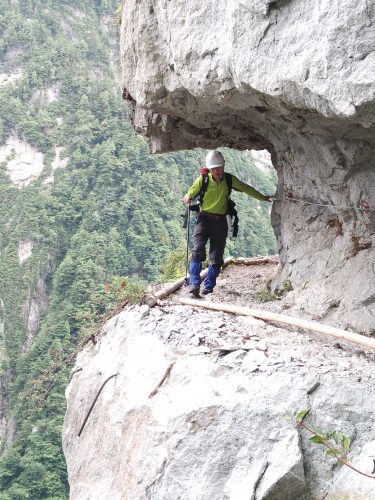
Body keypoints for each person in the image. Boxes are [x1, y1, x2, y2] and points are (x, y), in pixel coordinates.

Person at [183, 150, 273, 297]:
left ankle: (209, 285)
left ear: (223, 166)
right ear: (210, 169)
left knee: (217, 257)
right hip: (204, 219)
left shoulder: (229, 180)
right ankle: (194, 284)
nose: (217, 171)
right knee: (197, 251)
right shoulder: (203, 180)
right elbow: (190, 193)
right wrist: (187, 197)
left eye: (219, 167)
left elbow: (245, 188)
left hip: (220, 221)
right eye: (214, 168)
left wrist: (263, 198)